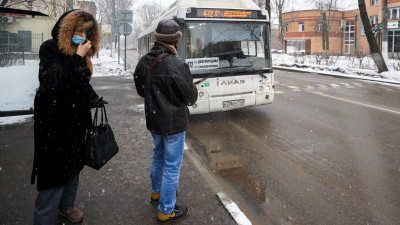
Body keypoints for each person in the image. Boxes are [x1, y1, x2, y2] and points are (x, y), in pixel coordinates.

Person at [31, 9, 101, 225]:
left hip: (76, 124)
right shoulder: (50, 48)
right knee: (53, 176)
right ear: (67, 29)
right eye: (78, 30)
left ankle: (66, 207)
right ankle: (44, 219)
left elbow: (80, 84)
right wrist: (77, 58)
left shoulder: (80, 53)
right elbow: (53, 82)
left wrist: (93, 97)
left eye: (85, 32)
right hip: (55, 125)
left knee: (74, 168)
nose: (82, 35)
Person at [133, 19, 198, 224]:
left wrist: (158, 100)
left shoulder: (144, 60)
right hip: (173, 125)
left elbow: (141, 89)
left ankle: (156, 193)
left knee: (158, 157)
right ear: (176, 41)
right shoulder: (177, 64)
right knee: (172, 166)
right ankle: (166, 210)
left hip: (154, 121)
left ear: (157, 39)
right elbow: (191, 98)